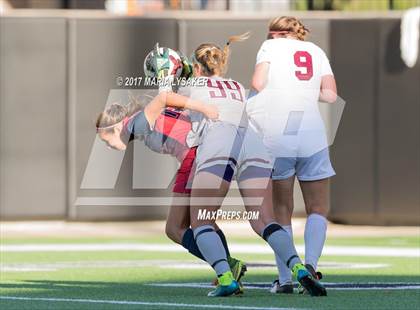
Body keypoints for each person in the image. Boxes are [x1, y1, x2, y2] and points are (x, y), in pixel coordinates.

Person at [155, 32, 326, 297]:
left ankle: (226, 279)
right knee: (264, 220)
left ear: (198, 67)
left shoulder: (193, 85)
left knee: (201, 220)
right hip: (253, 142)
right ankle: (299, 268)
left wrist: (165, 76)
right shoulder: (235, 85)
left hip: (221, 140)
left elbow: (164, 99)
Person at [95, 90, 247, 286]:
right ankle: (227, 269)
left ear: (115, 129)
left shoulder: (135, 124)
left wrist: (204, 108)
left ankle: (226, 266)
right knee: (204, 222)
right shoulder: (139, 121)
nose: (108, 146)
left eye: (106, 140)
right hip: (201, 152)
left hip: (193, 157)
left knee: (175, 228)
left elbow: (164, 97)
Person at [250, 16, 337, 294]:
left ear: (275, 33)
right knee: (319, 208)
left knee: (281, 211)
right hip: (312, 131)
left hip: (280, 132)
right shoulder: (317, 51)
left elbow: (258, 82)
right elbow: (331, 95)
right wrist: (305, 92)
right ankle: (311, 265)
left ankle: (286, 279)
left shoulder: (269, 47)